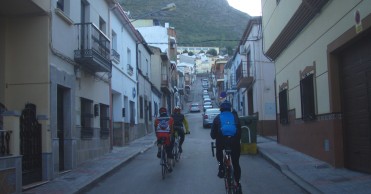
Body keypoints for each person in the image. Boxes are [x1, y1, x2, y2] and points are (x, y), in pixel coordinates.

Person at [210, 100, 242, 192]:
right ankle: (238, 183)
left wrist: (218, 136)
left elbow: (212, 135)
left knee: (219, 151)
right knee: (236, 163)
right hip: (234, 142)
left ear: (221, 109)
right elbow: (240, 133)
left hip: (222, 142)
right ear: (230, 108)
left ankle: (221, 167)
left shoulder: (217, 118)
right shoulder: (235, 117)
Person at [154, 107, 175, 172]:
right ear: (166, 112)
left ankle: (160, 150)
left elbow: (155, 129)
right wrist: (171, 135)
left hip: (160, 136)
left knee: (159, 141)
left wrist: (157, 136)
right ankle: (169, 165)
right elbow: (172, 129)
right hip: (167, 137)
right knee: (169, 151)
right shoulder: (170, 119)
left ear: (160, 112)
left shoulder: (156, 119)